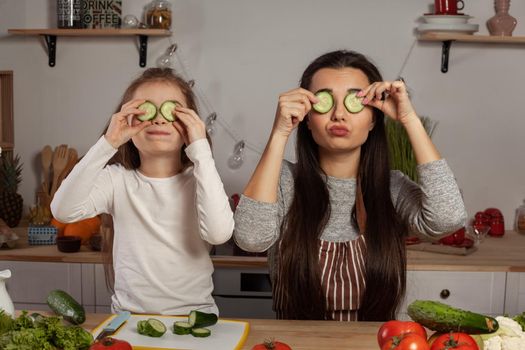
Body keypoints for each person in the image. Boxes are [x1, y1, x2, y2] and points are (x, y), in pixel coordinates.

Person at [233, 50, 467, 322]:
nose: (339, 114)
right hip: (296, 342)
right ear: (308, 117)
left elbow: (447, 219)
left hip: (375, 341)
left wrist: (408, 120)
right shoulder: (284, 181)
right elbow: (250, 238)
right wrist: (280, 131)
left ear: (373, 119)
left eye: (354, 100)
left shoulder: (391, 187)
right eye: (325, 101)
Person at [51, 68, 234, 315]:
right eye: (145, 110)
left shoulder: (201, 179)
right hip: (128, 319)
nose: (159, 119)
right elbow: (63, 210)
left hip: (196, 317)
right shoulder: (116, 181)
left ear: (191, 123)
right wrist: (108, 143)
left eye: (172, 111)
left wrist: (200, 149)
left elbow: (219, 233)